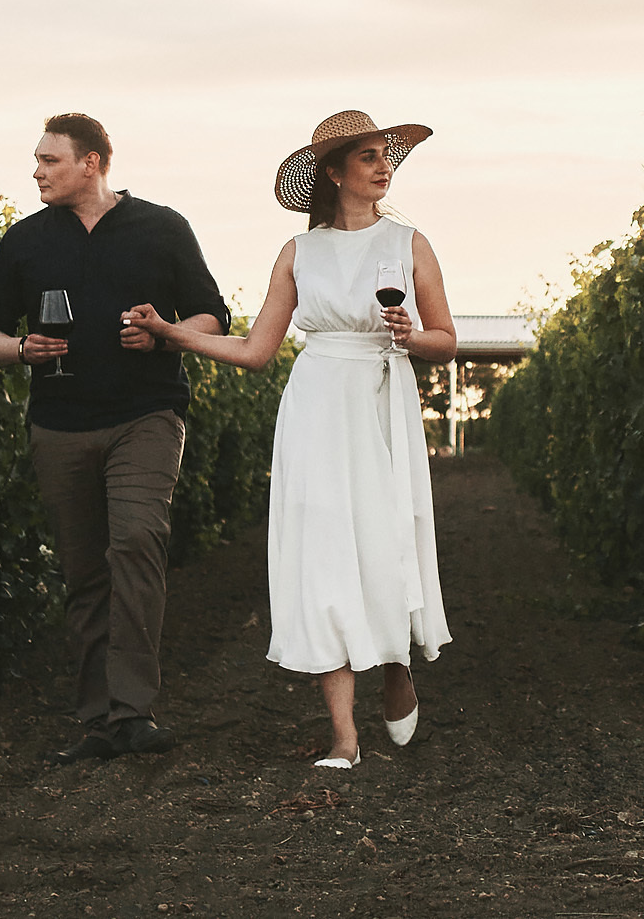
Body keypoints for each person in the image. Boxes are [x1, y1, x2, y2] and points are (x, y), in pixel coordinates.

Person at [127, 109, 454, 768]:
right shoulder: (298, 252)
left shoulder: (409, 243)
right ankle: (344, 736)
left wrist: (409, 335)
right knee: (325, 552)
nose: (383, 163)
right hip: (316, 406)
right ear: (334, 173)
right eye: (368, 155)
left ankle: (395, 667)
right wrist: (170, 331)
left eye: (385, 153)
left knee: (384, 545)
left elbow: (444, 340)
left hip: (382, 401)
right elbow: (254, 350)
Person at [0, 112, 231, 764]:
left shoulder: (162, 227)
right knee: (84, 571)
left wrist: (165, 330)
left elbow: (212, 316)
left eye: (49, 159)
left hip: (146, 414)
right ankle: (97, 719)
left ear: (91, 162)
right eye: (36, 159)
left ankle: (133, 710)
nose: (36, 170)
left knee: (137, 542)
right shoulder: (24, 240)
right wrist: (22, 347)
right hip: (59, 424)